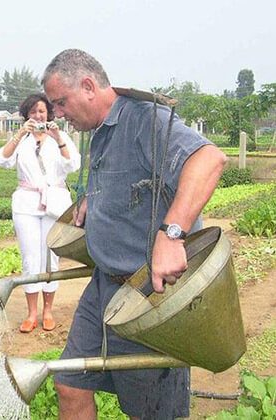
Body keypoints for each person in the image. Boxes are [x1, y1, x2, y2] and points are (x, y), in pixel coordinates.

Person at [42, 49, 227, 419]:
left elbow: (209, 160)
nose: (58, 113)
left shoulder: (145, 120)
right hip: (103, 289)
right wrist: (92, 202)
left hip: (148, 297)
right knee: (70, 382)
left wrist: (171, 235)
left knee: (151, 411)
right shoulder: (100, 133)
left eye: (61, 102)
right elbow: (126, 182)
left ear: (89, 86)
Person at [0, 93, 80, 333]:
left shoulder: (59, 138)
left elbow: (73, 165)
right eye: (33, 112)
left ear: (49, 114)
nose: (38, 116)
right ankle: (31, 312)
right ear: (26, 115)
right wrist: (20, 134)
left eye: (41, 112)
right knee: (30, 258)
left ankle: (48, 310)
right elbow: (2, 160)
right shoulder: (22, 140)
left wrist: (58, 138)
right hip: (26, 204)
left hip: (54, 202)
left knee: (51, 256)